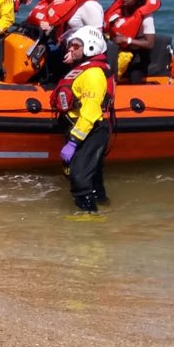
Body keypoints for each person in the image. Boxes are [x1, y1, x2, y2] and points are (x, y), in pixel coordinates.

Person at [50, 26, 115, 214]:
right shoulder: (83, 69)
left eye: (75, 46)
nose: (70, 49)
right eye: (70, 46)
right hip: (80, 127)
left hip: (91, 130)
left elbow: (90, 112)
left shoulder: (94, 75)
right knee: (92, 175)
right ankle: (103, 205)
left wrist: (73, 141)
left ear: (91, 47)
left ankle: (88, 217)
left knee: (79, 176)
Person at [104, 0, 160, 83]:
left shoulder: (146, 16)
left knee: (134, 77)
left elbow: (150, 43)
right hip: (119, 50)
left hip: (139, 53)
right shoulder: (119, 10)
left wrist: (127, 40)